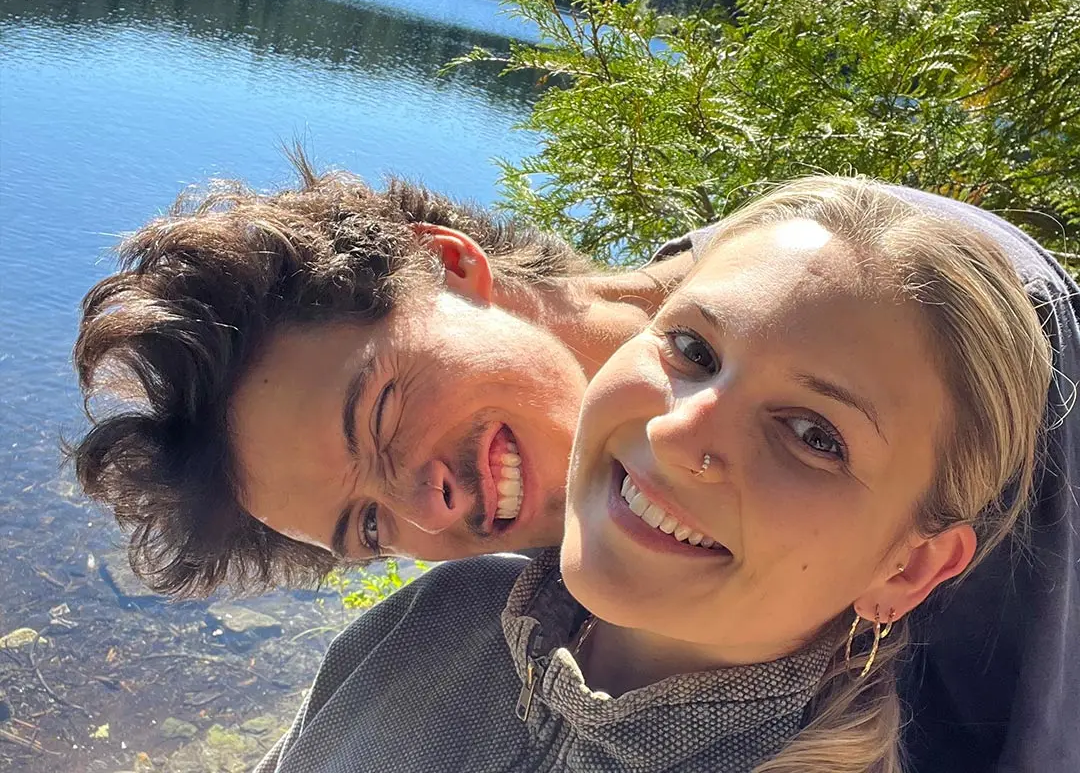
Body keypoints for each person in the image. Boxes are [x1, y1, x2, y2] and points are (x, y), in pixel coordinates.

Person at [71, 161, 1079, 771]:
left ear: (456, 266)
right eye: (370, 528)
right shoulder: (432, 634)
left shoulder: (920, 299)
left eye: (383, 415)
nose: (432, 505)